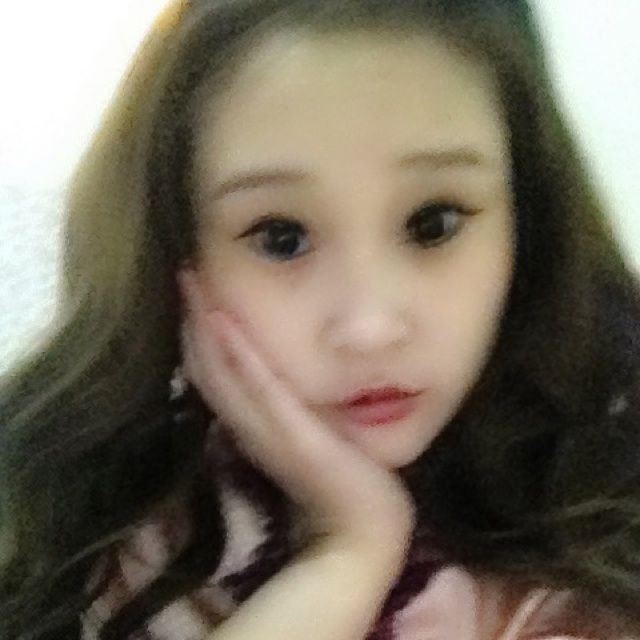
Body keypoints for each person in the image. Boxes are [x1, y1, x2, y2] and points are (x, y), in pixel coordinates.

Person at [1, 0, 639, 638]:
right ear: (176, 253)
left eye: (434, 223)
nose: (370, 328)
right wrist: (351, 551)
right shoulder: (67, 523)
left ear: (527, 221)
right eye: (281, 238)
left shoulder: (609, 519)